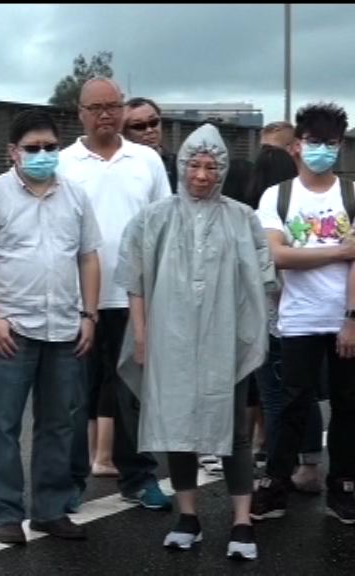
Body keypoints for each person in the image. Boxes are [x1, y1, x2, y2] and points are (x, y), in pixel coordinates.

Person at [116, 123, 275, 561]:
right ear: (181, 165)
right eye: (194, 165)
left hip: (227, 337)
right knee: (177, 430)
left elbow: (260, 279)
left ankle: (241, 521)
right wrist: (143, 335)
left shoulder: (242, 218)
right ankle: (188, 517)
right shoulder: (154, 218)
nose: (202, 175)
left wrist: (251, 333)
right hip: (170, 338)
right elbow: (135, 280)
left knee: (235, 431)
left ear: (221, 170)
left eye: (211, 166)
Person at [0, 109, 101, 544]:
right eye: (33, 148)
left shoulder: (75, 197)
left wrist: (89, 315)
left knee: (59, 423)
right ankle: (7, 513)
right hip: (13, 330)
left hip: (63, 328)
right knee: (3, 425)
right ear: (13, 152)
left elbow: (88, 256)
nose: (42, 155)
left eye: (50, 147)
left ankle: (50, 510)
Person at [59, 78, 173, 513]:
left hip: (135, 301)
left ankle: (138, 477)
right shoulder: (64, 162)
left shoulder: (145, 160)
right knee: (74, 399)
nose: (106, 114)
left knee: (133, 396)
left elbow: (166, 226)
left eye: (114, 106)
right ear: (81, 113)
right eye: (97, 107)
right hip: (78, 302)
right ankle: (69, 481)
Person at [251, 102, 355, 525]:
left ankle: (343, 485)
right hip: (297, 318)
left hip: (343, 318)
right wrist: (341, 250)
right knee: (291, 405)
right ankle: (276, 484)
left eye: (330, 143)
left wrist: (351, 317)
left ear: (340, 146)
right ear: (296, 146)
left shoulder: (350, 195)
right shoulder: (278, 196)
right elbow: (276, 256)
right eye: (313, 142)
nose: (321, 150)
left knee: (348, 407)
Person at [244, 143, 325, 489]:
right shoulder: (297, 208)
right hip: (304, 313)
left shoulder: (256, 214)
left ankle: (279, 469)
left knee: (277, 398)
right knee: (301, 393)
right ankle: (308, 463)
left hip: (270, 317)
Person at [123, 97, 177, 194]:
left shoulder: (178, 165)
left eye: (154, 123)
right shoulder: (120, 167)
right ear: (124, 132)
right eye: (139, 126)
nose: (149, 130)